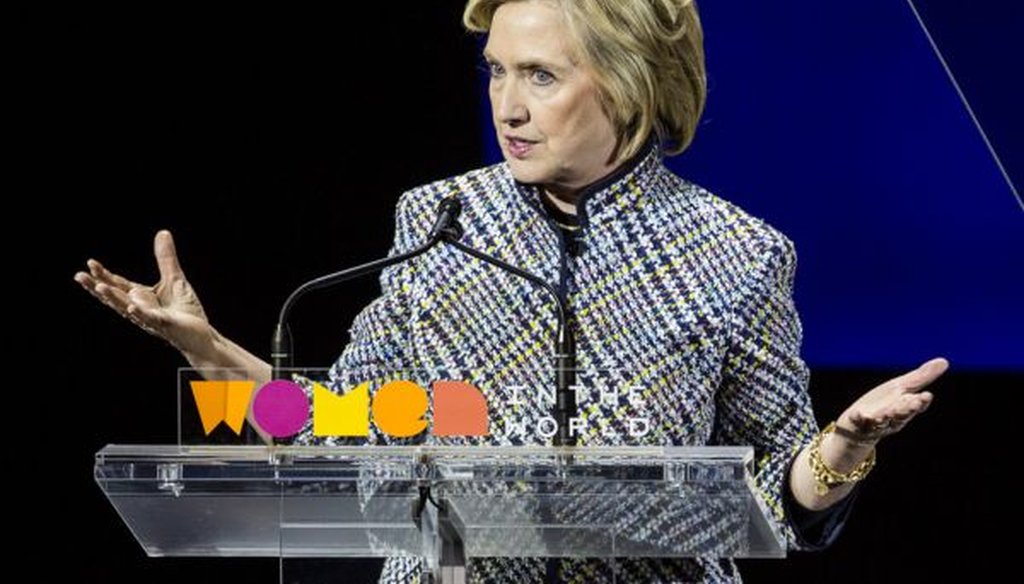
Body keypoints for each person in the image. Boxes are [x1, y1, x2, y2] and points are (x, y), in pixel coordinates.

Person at [75, 0, 948, 582]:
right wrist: (212, 354)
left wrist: (838, 447)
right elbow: (336, 423)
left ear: (629, 83)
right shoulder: (438, 219)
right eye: (496, 71)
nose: (507, 106)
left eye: (540, 75)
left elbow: (773, 499)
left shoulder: (737, 253)